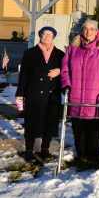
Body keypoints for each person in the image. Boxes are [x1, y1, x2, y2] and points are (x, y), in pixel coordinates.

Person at [60, 19, 99, 170]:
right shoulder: (73, 48)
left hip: (96, 97)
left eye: (92, 29)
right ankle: (81, 155)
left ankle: (94, 155)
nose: (88, 32)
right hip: (76, 97)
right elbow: (65, 68)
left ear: (97, 31)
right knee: (78, 128)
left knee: (94, 128)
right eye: (86, 29)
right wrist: (66, 84)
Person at [15, 26, 64, 162]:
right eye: (44, 34)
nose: (47, 36)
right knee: (31, 122)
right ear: (40, 36)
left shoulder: (60, 54)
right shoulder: (30, 53)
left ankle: (45, 149)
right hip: (33, 94)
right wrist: (20, 94)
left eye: (50, 34)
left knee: (49, 122)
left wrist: (59, 71)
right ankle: (29, 150)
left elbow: (67, 71)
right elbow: (23, 75)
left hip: (52, 94)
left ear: (53, 37)